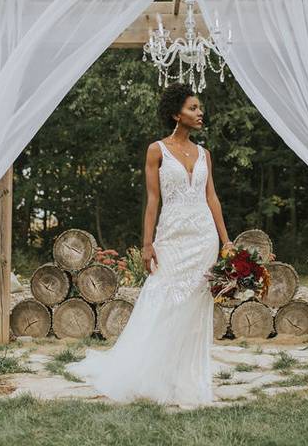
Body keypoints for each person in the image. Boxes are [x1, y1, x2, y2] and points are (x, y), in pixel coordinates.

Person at [66, 82, 234, 407]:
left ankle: (185, 378)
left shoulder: (205, 155)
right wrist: (147, 242)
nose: (200, 113)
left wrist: (226, 240)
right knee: (161, 299)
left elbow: (211, 197)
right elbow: (152, 199)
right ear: (176, 114)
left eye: (199, 108)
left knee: (195, 305)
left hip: (203, 238)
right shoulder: (156, 150)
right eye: (193, 108)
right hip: (170, 236)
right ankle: (146, 372)